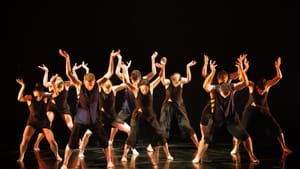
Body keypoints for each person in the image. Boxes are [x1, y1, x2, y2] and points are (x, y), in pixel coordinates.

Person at [58, 48, 120, 169]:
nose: (90, 86)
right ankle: (65, 163)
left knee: (105, 143)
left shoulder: (98, 84)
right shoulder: (79, 85)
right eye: (88, 84)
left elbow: (110, 72)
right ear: (85, 82)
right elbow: (69, 74)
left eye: (92, 84)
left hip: (95, 121)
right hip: (80, 121)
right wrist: (67, 59)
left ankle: (109, 162)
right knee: (71, 144)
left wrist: (111, 58)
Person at [192, 55, 259, 164]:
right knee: (206, 138)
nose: (225, 96)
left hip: (231, 117)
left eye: (227, 95)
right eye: (224, 95)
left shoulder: (232, 86)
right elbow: (205, 86)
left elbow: (245, 83)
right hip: (216, 117)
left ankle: (252, 156)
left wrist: (242, 68)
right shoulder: (215, 88)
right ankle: (198, 157)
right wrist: (212, 71)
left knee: (245, 136)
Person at [120, 58, 173, 162]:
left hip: (150, 116)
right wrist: (124, 69)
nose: (144, 91)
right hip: (137, 116)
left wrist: (163, 66)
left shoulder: (151, 87)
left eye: (146, 89)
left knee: (160, 133)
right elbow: (126, 81)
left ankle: (168, 154)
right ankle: (124, 155)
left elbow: (160, 77)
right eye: (142, 89)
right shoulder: (135, 90)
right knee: (132, 135)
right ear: (139, 88)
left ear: (148, 87)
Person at [239, 56, 292, 154]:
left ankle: (284, 147)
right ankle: (236, 148)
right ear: (257, 86)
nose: (261, 92)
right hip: (250, 109)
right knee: (242, 128)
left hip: (263, 109)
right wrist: (242, 68)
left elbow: (279, 77)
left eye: (262, 90)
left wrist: (277, 67)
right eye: (259, 90)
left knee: (276, 127)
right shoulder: (252, 86)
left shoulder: (267, 85)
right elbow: (244, 80)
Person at [199, 54, 249, 155]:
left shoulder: (229, 81)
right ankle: (204, 139)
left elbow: (239, 75)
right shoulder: (213, 79)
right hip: (214, 104)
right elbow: (204, 74)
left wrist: (243, 66)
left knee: (235, 126)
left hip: (228, 105)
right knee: (203, 122)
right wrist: (205, 63)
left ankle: (235, 147)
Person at [109, 51, 159, 153]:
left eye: (138, 82)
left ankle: (142, 146)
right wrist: (120, 62)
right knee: (117, 122)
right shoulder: (127, 81)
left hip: (139, 108)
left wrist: (153, 59)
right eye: (134, 82)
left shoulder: (143, 81)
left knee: (147, 126)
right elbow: (117, 73)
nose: (136, 84)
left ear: (140, 79)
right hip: (128, 106)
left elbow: (154, 73)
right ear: (132, 79)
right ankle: (111, 139)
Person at [33, 62, 87, 151]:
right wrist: (46, 71)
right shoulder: (51, 84)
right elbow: (45, 83)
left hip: (63, 107)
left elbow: (76, 82)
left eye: (60, 88)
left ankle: (79, 141)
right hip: (52, 106)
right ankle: (36, 143)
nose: (59, 89)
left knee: (70, 125)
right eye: (57, 88)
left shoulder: (66, 84)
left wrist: (74, 71)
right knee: (47, 123)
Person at [16, 79, 62, 163]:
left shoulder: (45, 96)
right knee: (25, 140)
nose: (38, 97)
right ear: (34, 93)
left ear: (42, 93)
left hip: (44, 122)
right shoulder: (30, 97)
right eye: (36, 95)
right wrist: (23, 87)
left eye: (40, 95)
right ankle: (21, 156)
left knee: (52, 141)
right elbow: (19, 98)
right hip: (32, 122)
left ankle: (57, 155)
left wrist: (52, 84)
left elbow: (56, 94)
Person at [159, 57, 199, 148]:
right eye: (175, 82)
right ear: (172, 80)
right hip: (167, 105)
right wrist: (163, 66)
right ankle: (153, 145)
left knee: (187, 125)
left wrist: (188, 66)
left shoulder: (181, 81)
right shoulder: (168, 82)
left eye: (178, 81)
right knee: (162, 125)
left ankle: (197, 145)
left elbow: (188, 79)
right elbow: (162, 80)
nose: (177, 83)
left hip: (179, 105)